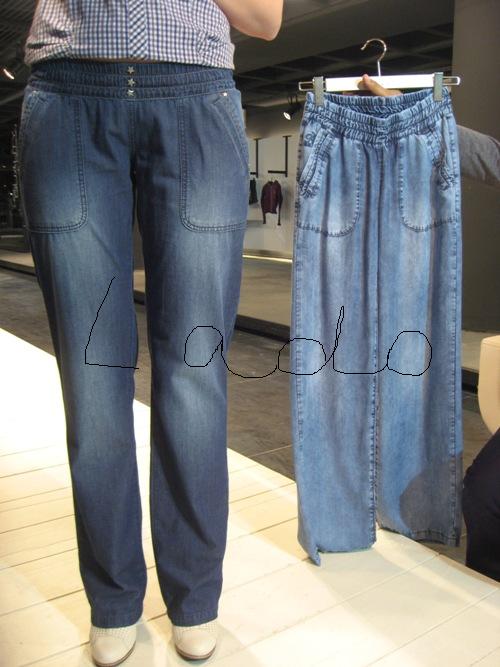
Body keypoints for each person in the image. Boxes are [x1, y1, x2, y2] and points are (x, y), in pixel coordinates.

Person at [18, 2, 499, 665]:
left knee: (193, 375)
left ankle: (194, 595)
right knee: (90, 373)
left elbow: (265, 18)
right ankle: (112, 598)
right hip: (68, 86)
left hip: (193, 93)